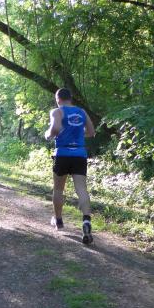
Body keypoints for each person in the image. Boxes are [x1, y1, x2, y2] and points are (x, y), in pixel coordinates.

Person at [44, 88, 95, 245]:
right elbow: (91, 132)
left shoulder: (57, 112)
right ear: (71, 98)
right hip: (79, 154)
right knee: (82, 189)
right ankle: (86, 220)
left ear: (58, 99)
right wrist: (78, 134)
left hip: (63, 154)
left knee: (59, 189)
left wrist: (48, 134)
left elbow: (55, 129)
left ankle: (58, 221)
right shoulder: (81, 112)